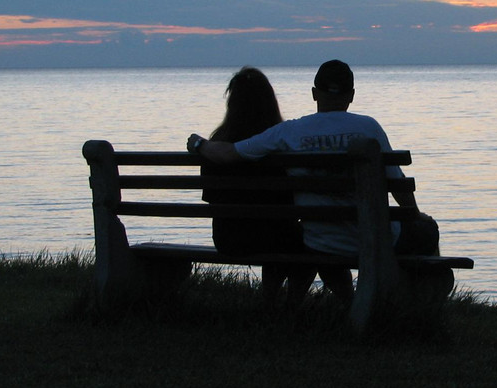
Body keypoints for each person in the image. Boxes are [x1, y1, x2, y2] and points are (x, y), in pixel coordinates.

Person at [187, 60, 438, 304]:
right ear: (351, 95)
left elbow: (229, 153)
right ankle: (425, 302)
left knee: (318, 246)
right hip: (373, 240)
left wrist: (199, 144)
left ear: (314, 93)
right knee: (428, 230)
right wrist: (415, 215)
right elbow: (397, 184)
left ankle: (328, 304)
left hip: (319, 242)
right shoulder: (369, 128)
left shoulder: (289, 132)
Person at [201, 66, 315, 309]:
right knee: (312, 242)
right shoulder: (279, 144)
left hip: (228, 239)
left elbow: (210, 197)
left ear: (232, 103)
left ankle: (269, 303)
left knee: (280, 233)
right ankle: (291, 306)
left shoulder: (216, 146)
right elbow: (294, 199)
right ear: (271, 102)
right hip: (276, 236)